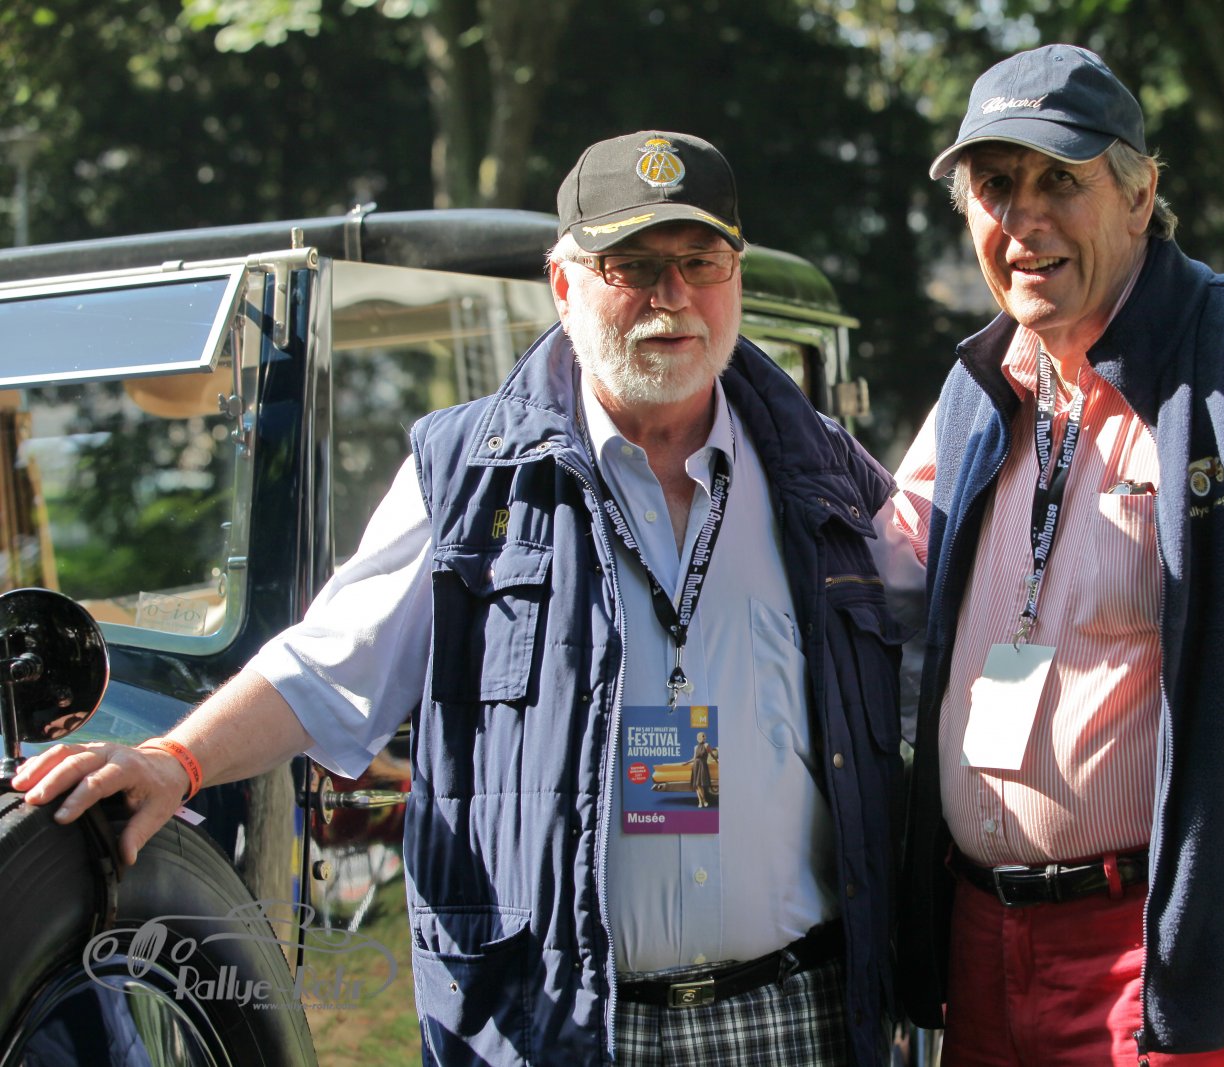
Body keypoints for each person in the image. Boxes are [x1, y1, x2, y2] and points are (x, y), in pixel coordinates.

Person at [15, 130, 907, 1067]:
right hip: (566, 1030)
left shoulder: (825, 474)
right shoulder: (467, 476)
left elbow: (944, 642)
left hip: (799, 1016)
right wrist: (174, 759)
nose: (672, 295)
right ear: (564, 285)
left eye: (700, 261)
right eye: (633, 265)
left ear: (733, 275)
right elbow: (329, 667)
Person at [892, 44, 1224, 1066]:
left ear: (1141, 195)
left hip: (1165, 954)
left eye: (1060, 180)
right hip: (978, 945)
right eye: (995, 185)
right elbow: (881, 562)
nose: (1023, 218)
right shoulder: (980, 385)